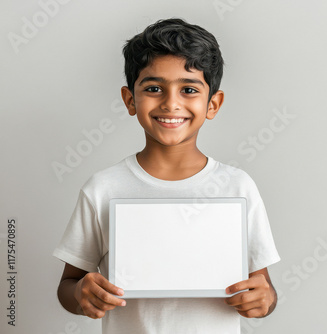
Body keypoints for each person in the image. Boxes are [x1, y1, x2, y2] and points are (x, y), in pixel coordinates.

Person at [52, 18, 281, 333]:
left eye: (188, 89)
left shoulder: (237, 186)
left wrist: (264, 300)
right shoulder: (103, 188)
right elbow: (69, 285)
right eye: (154, 88)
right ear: (130, 99)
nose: (171, 103)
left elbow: (264, 288)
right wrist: (81, 295)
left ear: (213, 104)